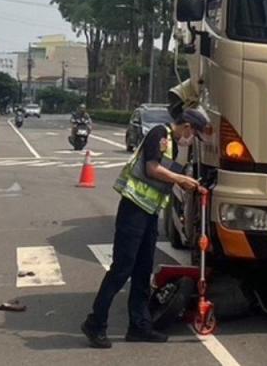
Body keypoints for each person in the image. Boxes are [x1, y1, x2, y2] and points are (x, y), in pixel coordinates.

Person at [81, 105, 209, 349]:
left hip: (149, 212)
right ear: (187, 127)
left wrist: (190, 185)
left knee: (142, 272)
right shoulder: (160, 134)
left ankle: (139, 326)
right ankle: (95, 323)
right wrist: (180, 179)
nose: (191, 139)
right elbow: (152, 169)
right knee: (122, 269)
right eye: (193, 134)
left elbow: (167, 177)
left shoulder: (175, 145)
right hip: (133, 209)